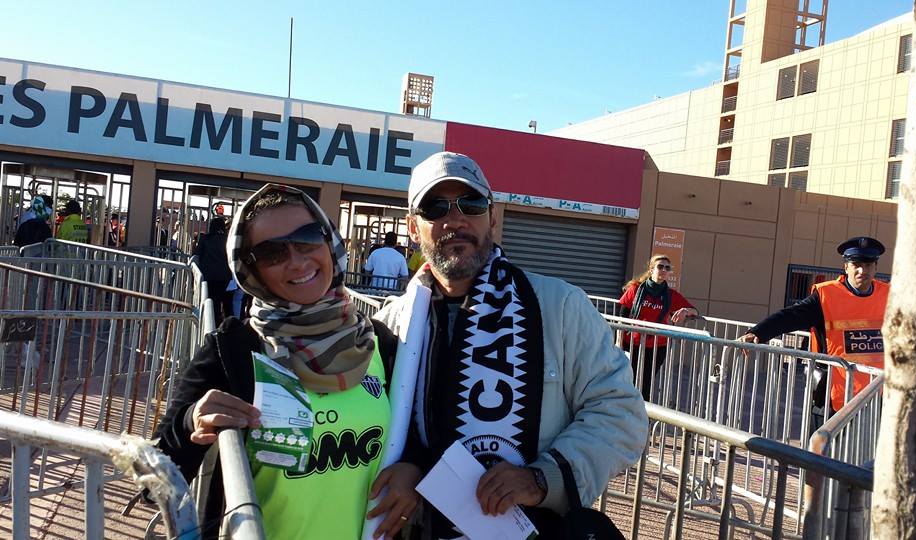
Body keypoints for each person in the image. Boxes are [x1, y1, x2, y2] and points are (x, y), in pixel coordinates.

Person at [375, 151, 647, 538]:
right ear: (412, 228)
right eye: (435, 208)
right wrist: (409, 466)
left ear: (493, 217)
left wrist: (542, 479)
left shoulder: (560, 307)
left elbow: (621, 413)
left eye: (470, 204)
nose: (455, 220)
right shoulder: (390, 325)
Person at [154, 185, 419, 539]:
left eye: (308, 239)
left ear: (329, 242)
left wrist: (413, 468)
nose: (296, 261)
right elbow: (155, 477)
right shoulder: (234, 351)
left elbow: (416, 436)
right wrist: (191, 422)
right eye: (271, 253)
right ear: (250, 270)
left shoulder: (379, 343)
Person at [738, 236, 889, 413]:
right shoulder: (826, 295)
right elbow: (791, 316)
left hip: (878, 396)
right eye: (856, 265)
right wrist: (758, 332)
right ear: (846, 267)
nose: (862, 270)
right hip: (832, 397)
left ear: (876, 267)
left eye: (868, 265)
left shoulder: (889, 295)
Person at [618, 254, 699, 401]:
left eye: (667, 268)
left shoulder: (671, 295)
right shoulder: (636, 289)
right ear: (651, 269)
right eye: (660, 266)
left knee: (646, 383)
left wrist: (685, 310)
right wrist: (619, 341)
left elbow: (695, 311)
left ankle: (642, 412)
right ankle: (624, 410)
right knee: (629, 379)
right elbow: (622, 316)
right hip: (633, 343)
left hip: (657, 345)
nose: (664, 270)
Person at [194, 217, 232, 322]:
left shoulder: (205, 239)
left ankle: (210, 321)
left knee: (209, 299)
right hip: (224, 276)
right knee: (220, 300)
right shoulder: (227, 239)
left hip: (208, 275)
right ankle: (218, 322)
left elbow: (197, 254)